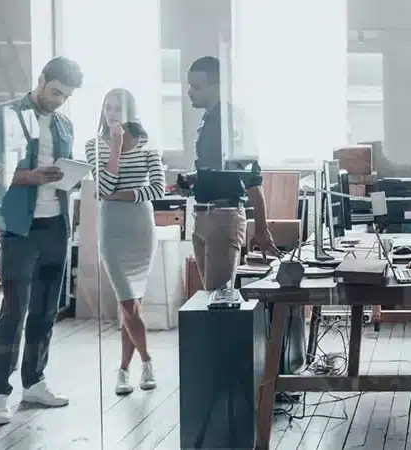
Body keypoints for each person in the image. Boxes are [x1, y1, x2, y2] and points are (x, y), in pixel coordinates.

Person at [0, 57, 83, 425]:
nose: (59, 101)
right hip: (19, 229)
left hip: (56, 225)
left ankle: (35, 382)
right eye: (55, 92)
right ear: (41, 80)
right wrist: (33, 177)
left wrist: (70, 176)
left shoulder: (65, 124)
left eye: (65, 96)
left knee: (45, 311)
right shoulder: (4, 116)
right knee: (14, 312)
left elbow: (64, 173)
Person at [84, 88, 165, 395]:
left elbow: (157, 189)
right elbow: (104, 186)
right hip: (112, 230)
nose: (112, 113)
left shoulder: (147, 144)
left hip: (140, 228)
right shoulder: (94, 145)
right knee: (128, 303)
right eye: (108, 108)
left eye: (118, 108)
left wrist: (120, 196)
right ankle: (147, 361)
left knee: (130, 306)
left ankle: (123, 370)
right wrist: (116, 147)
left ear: (130, 111)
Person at [183, 56, 278, 298]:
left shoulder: (233, 122)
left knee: (219, 300)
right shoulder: (208, 120)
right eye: (190, 86)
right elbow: (217, 172)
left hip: (223, 217)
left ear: (216, 88)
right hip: (203, 215)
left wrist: (261, 228)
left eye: (196, 87)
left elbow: (251, 178)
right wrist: (192, 180)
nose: (189, 92)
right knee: (211, 296)